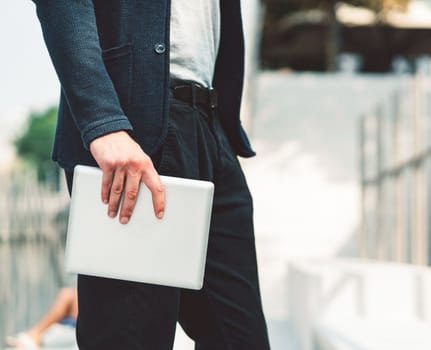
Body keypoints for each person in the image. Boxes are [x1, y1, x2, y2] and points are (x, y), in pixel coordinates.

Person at [31, 1, 271, 349]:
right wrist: (103, 124)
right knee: (128, 338)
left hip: (212, 129)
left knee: (240, 339)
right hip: (134, 130)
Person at [6, 287, 78, 349]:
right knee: (67, 294)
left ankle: (33, 337)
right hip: (69, 326)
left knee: (67, 294)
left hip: (75, 328)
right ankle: (33, 336)